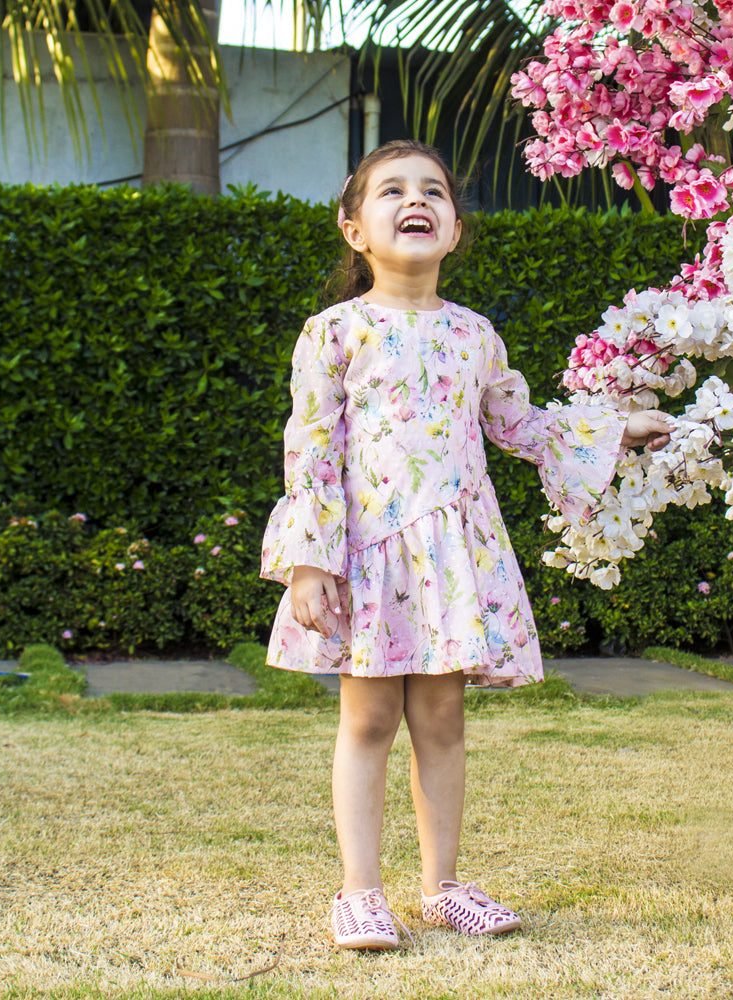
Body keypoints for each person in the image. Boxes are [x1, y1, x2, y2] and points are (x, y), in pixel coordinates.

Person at [260, 139, 671, 951]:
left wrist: (614, 429)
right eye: (392, 192)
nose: (416, 200)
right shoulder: (337, 331)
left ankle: (442, 885)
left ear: (453, 230)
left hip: (452, 559)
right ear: (354, 231)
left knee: (442, 721)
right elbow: (310, 446)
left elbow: (519, 426)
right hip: (370, 552)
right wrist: (311, 558)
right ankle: (360, 892)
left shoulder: (476, 335)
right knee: (370, 719)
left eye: (434, 192)